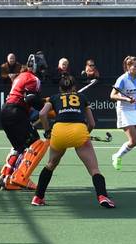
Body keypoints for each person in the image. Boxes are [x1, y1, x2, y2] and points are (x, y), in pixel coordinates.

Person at [35, 74, 115, 208]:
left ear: (60, 88)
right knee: (94, 169)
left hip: (58, 131)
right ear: (74, 87)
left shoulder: (54, 98)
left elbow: (42, 114)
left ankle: (38, 197)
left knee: (50, 164)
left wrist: (48, 131)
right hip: (79, 131)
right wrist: (85, 135)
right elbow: (92, 123)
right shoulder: (82, 97)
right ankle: (102, 196)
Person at [0, 53, 48, 190]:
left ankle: (6, 177)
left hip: (6, 111)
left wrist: (42, 102)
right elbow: (30, 99)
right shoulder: (33, 79)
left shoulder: (21, 76)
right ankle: (20, 177)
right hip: (16, 113)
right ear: (36, 67)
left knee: (19, 146)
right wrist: (45, 107)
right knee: (36, 143)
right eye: (42, 68)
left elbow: (24, 99)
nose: (43, 72)